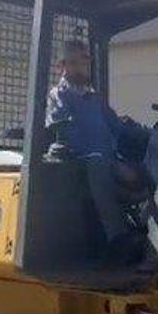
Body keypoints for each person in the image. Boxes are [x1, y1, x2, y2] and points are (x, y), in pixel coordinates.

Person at [45, 39, 150, 267]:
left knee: (147, 164)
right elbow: (64, 130)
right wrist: (112, 163)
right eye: (73, 63)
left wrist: (147, 135)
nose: (79, 67)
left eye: (83, 62)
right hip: (78, 160)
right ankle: (118, 237)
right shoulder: (59, 95)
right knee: (99, 164)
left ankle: (145, 229)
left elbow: (117, 127)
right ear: (61, 66)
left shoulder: (95, 98)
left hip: (106, 158)